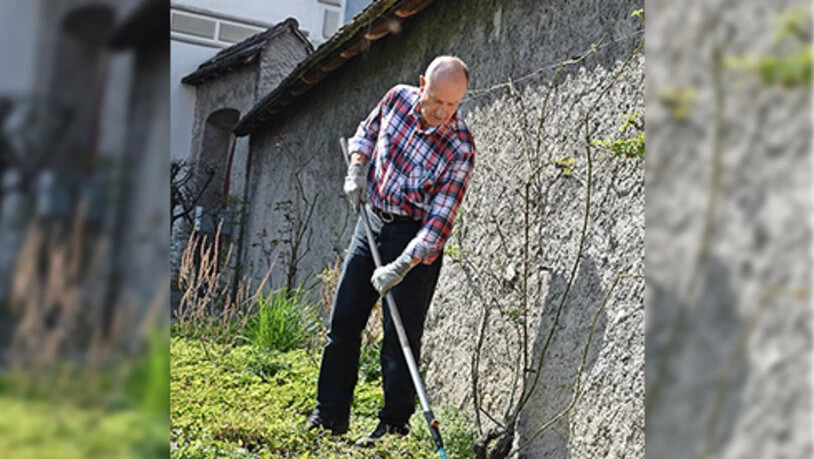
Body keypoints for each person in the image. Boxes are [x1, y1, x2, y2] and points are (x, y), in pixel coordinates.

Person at [307, 55, 476, 447]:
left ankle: (393, 426)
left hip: (414, 238)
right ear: (422, 84)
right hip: (371, 223)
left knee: (399, 336)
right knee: (343, 323)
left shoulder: (460, 145)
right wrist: (357, 169)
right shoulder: (397, 99)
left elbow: (439, 221)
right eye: (436, 100)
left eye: (452, 104)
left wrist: (402, 264)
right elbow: (366, 133)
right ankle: (330, 415)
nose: (442, 112)